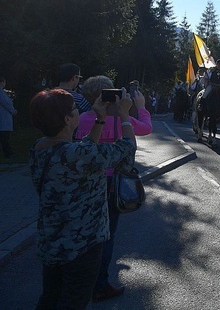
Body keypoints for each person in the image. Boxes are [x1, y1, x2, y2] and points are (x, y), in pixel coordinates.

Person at [30, 88, 136, 309]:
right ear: (68, 119)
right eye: (76, 109)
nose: (79, 111)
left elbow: (83, 151)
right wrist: (125, 116)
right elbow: (126, 151)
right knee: (73, 302)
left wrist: (100, 119)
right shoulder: (76, 155)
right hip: (83, 245)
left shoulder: (39, 147)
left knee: (50, 298)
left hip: (52, 240)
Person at [75, 76, 152, 302]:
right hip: (111, 184)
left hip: (86, 183)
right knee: (106, 236)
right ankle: (100, 285)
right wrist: (141, 108)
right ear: (112, 95)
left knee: (87, 234)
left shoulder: (81, 119)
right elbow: (146, 129)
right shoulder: (119, 120)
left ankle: (83, 282)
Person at [0, 76, 17, 158]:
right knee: (4, 137)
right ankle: (8, 153)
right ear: (2, 82)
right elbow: (6, 103)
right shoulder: (1, 93)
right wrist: (13, 110)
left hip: (4, 116)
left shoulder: (3, 92)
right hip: (3, 117)